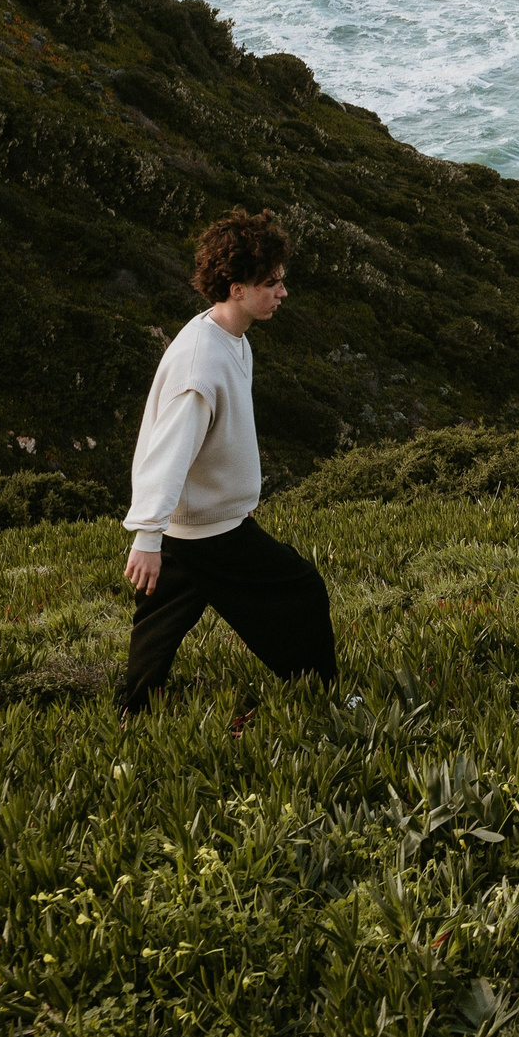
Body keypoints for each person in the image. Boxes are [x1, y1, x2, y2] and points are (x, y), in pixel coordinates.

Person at [117, 208, 337, 713]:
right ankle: (322, 700)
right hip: (208, 533)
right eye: (271, 282)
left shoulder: (225, 337)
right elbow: (166, 452)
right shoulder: (202, 363)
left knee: (157, 627)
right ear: (236, 288)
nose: (283, 292)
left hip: (197, 525)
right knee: (302, 591)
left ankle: (134, 713)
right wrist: (148, 536)